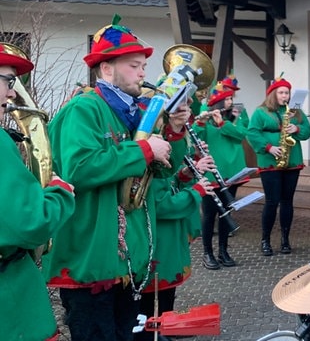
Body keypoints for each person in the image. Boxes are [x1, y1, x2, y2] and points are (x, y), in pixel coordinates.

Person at [44, 17, 188, 341]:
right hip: (92, 263)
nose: (143, 73)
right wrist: (144, 150)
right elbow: (78, 168)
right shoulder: (83, 109)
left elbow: (163, 172)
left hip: (128, 261)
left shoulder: (137, 111)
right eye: (134, 65)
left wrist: (175, 132)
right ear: (106, 69)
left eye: (143, 66)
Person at [0, 43, 76, 341]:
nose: (12, 92)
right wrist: (60, 192)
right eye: (8, 80)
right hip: (10, 301)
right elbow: (31, 224)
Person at [135, 113, 216, 341]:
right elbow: (161, 205)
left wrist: (184, 174)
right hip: (159, 241)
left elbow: (169, 184)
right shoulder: (147, 163)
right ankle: (154, 333)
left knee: (166, 294)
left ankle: (165, 330)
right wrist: (197, 192)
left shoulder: (160, 161)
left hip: (170, 238)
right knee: (150, 299)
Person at [247, 74, 310, 256]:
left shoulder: (295, 112)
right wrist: (268, 147)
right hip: (270, 162)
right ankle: (265, 240)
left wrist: (296, 128)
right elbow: (252, 133)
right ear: (273, 94)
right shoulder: (261, 112)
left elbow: (307, 131)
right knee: (271, 201)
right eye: (281, 93)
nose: (285, 96)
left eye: (287, 93)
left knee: (287, 201)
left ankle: (285, 239)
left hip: (292, 162)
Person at [193, 81, 248, 269]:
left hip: (232, 173)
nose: (231, 102)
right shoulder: (205, 118)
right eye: (228, 99)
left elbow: (241, 135)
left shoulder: (234, 117)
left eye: (231, 98)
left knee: (227, 212)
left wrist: (222, 123)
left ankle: (223, 251)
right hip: (211, 174)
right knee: (209, 215)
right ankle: (207, 253)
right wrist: (201, 120)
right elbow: (195, 135)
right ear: (217, 103)